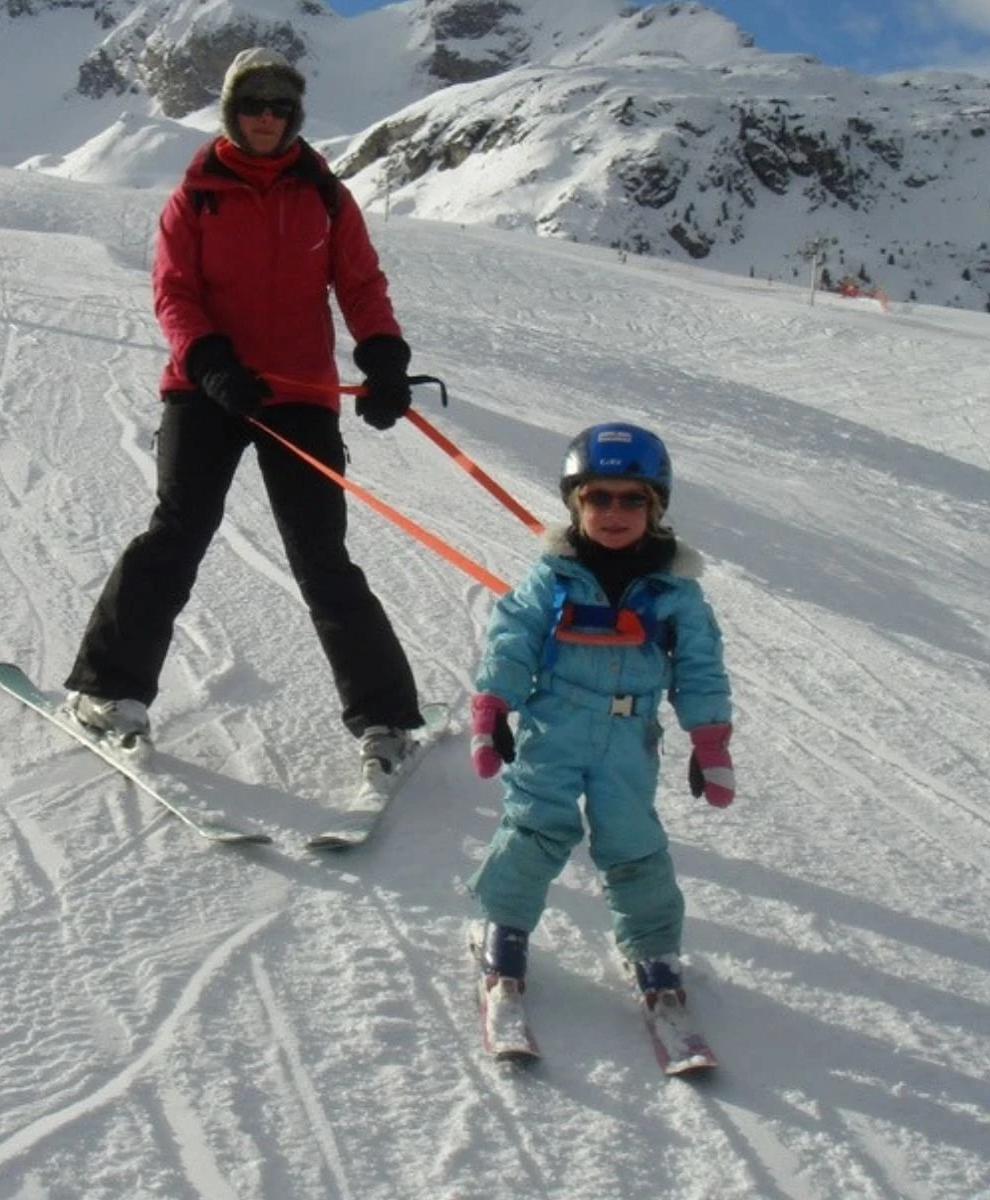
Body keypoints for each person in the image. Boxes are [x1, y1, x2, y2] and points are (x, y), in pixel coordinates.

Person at [64, 46, 424, 777]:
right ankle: (107, 690)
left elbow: (360, 283)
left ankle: (386, 719)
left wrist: (384, 357)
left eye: (280, 107)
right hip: (206, 388)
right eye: (253, 105)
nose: (267, 117)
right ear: (232, 112)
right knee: (178, 531)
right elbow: (173, 293)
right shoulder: (195, 196)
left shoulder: (325, 196)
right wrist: (211, 363)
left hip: (300, 393)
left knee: (321, 555)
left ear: (294, 116)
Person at [465, 422, 734, 1019]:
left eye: (632, 500)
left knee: (633, 843)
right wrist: (494, 705)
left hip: (629, 738)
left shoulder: (675, 590)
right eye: (598, 498)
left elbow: (700, 665)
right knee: (535, 829)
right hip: (553, 729)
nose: (614, 513)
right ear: (575, 503)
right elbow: (512, 638)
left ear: (655, 508)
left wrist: (710, 739)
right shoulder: (553, 577)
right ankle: (504, 929)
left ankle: (653, 948)